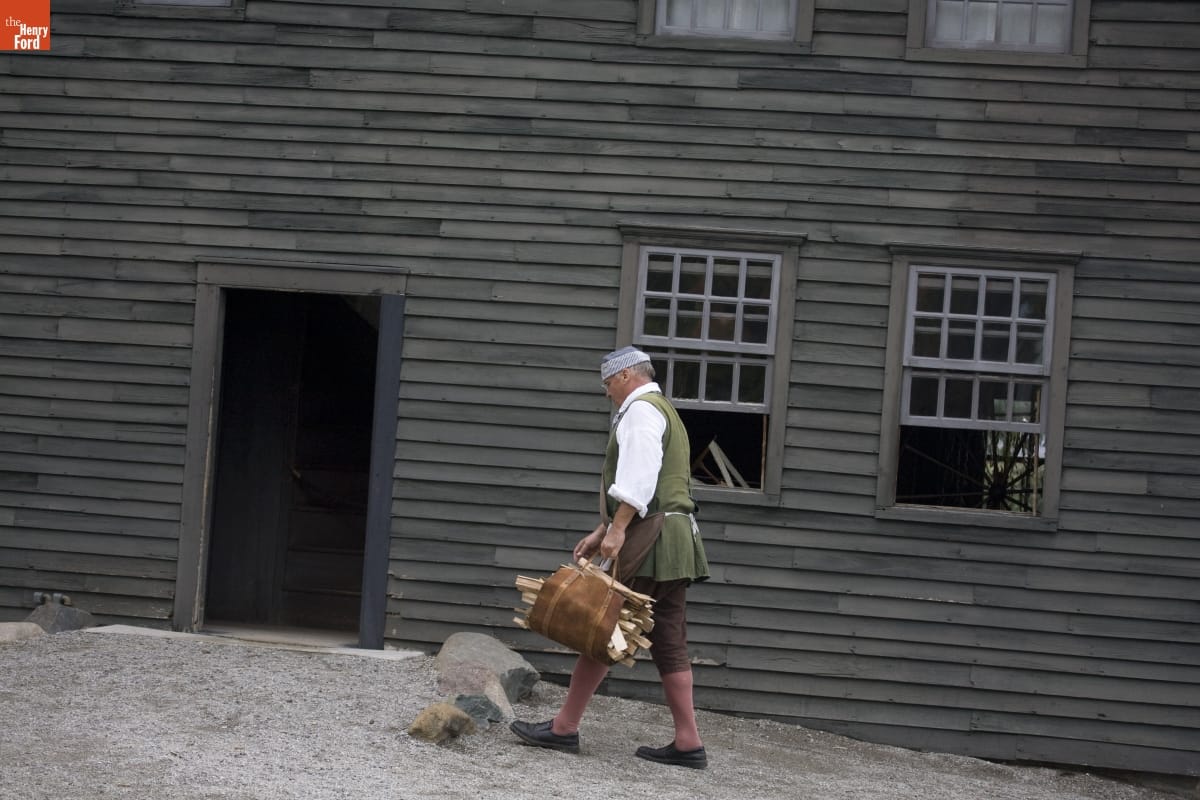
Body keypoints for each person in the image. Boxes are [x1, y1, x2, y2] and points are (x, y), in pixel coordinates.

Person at [510, 346, 710, 769]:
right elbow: (653, 481)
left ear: (624, 377)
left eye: (607, 384)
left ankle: (564, 728)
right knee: (668, 638)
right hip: (673, 538)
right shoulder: (663, 409)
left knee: (603, 624)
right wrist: (604, 527)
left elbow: (639, 478)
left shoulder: (640, 411)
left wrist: (617, 529)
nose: (606, 394)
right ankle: (688, 742)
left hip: (652, 537)